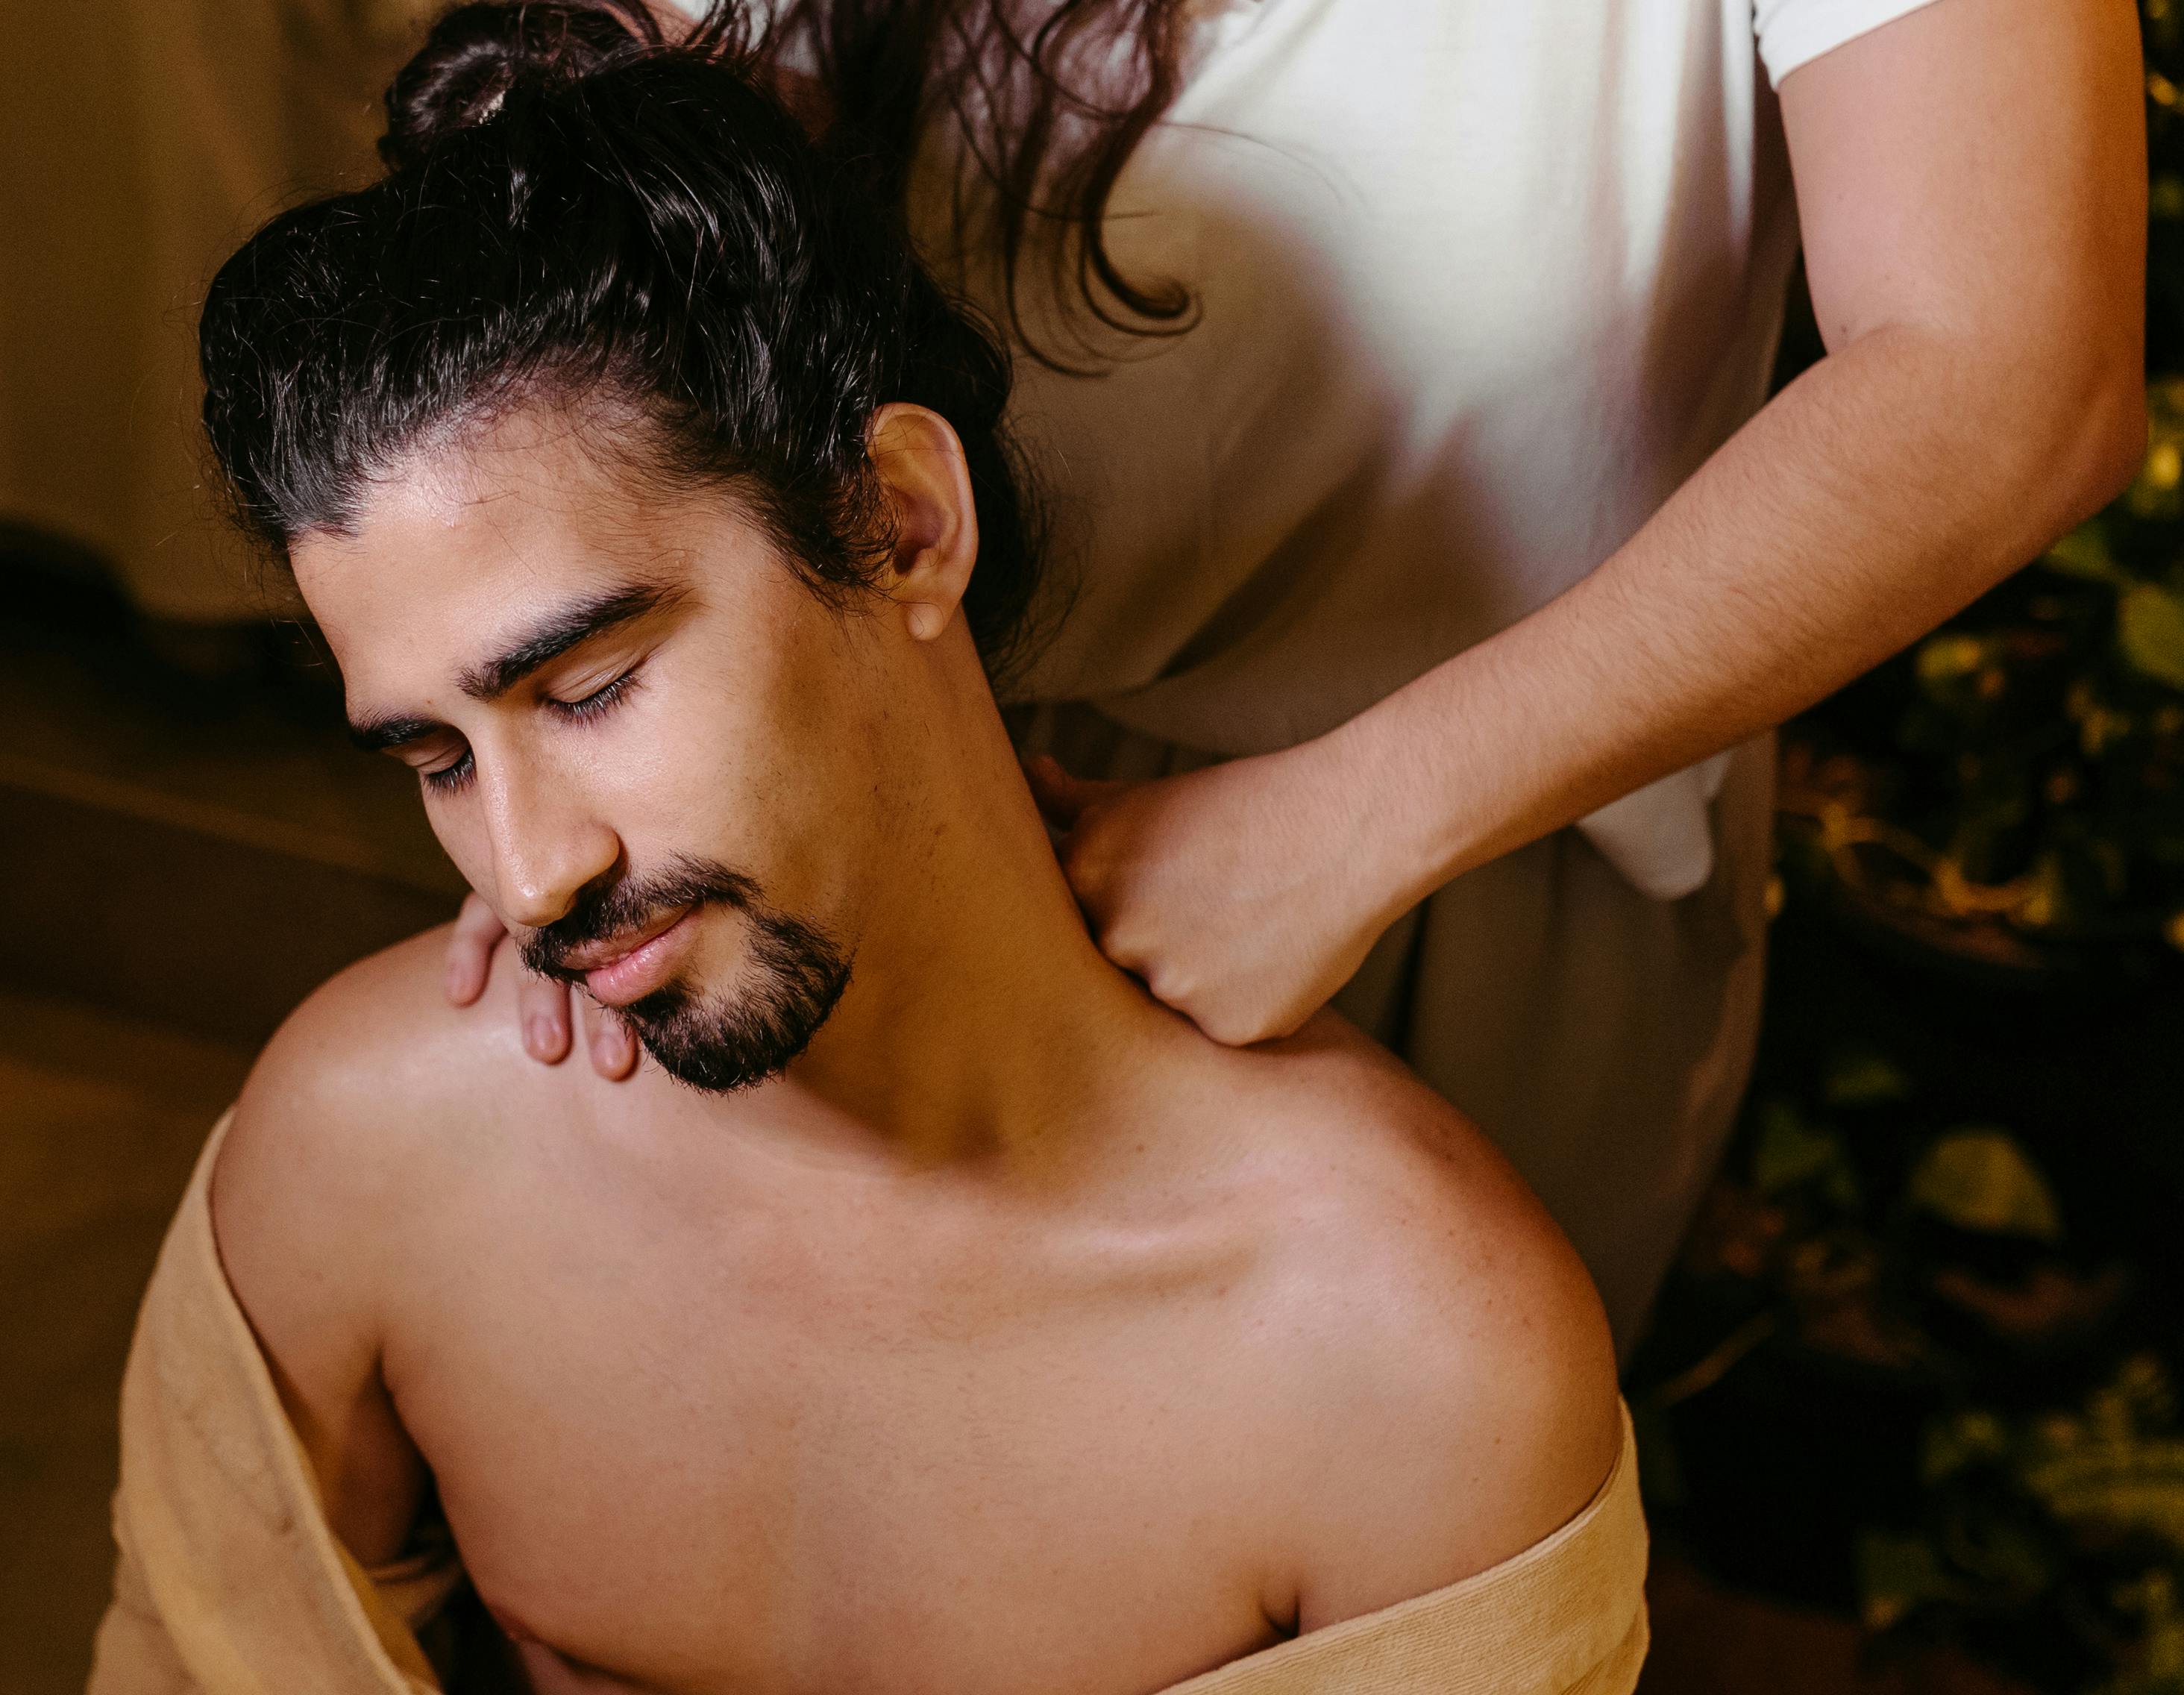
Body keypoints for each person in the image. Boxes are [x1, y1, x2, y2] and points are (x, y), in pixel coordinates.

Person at [90, 13, 1644, 1691]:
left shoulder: (1407, 1354)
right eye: (438, 756)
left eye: (591, 686)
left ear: (899, 520)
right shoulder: (364, 1150)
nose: (529, 874)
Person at [442, 0, 2151, 1350]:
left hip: (1479, 848)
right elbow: (630, 229)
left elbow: (2010, 372)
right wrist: (590, 748)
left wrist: (1356, 822)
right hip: (857, 789)